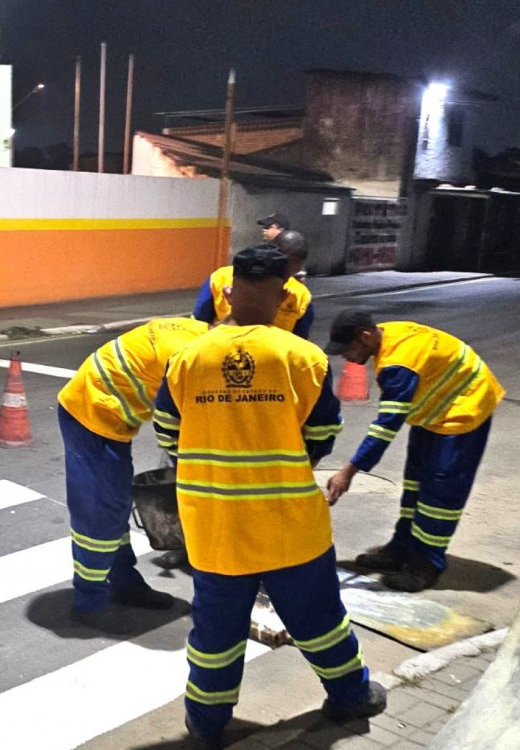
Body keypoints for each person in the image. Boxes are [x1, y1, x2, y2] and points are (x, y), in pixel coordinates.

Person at [154, 246, 385, 748]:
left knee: (215, 633)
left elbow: (169, 433)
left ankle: (206, 725)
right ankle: (351, 696)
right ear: (284, 298)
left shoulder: (187, 358)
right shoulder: (301, 357)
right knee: (320, 620)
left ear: (229, 291)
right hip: (289, 525)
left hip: (214, 527)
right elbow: (323, 434)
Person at [324, 311, 504, 592]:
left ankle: (426, 564)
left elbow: (385, 428)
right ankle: (402, 547)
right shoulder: (385, 336)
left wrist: (348, 472)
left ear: (365, 336)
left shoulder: (398, 365)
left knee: (439, 493)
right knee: (415, 484)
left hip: (464, 408)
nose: (345, 357)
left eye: (348, 349)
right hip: (434, 408)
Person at [57, 316, 211, 630]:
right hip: (91, 414)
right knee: (101, 513)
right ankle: (89, 603)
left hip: (106, 410)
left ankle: (124, 583)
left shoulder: (198, 330)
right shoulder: (191, 360)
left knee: (114, 506)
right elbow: (177, 430)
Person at [191, 228, 313, 339]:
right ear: (229, 294)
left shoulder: (301, 296)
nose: (283, 278)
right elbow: (199, 325)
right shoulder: (220, 279)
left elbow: (299, 343)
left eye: (289, 272)